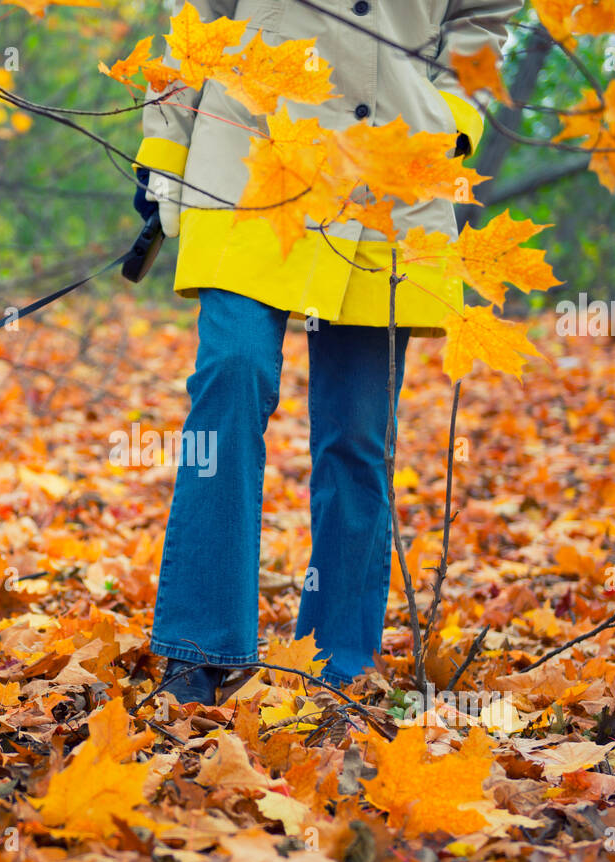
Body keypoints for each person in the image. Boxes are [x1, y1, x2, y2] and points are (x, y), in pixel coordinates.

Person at [133, 0, 521, 704]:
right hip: (247, 157)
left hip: (388, 178)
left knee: (357, 431)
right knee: (233, 371)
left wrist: (450, 122)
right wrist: (164, 149)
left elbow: (484, 21)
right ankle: (198, 652)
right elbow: (196, 15)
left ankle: (339, 662)